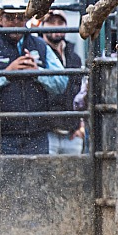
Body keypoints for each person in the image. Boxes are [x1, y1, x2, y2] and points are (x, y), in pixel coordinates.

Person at [0, 0, 68, 155]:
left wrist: (37, 73)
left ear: (26, 20)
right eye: (10, 17)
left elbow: (61, 82)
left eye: (20, 17)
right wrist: (6, 74)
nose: (15, 22)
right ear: (1, 19)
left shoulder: (40, 46)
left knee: (37, 179)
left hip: (37, 133)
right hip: (0, 134)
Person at [41, 10, 85, 154]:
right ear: (42, 25)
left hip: (72, 132)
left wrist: (81, 126)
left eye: (60, 23)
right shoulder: (38, 55)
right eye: (51, 22)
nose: (56, 26)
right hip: (47, 132)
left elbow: (81, 93)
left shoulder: (74, 57)